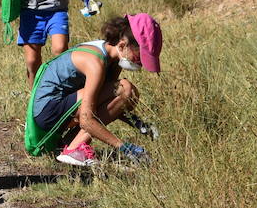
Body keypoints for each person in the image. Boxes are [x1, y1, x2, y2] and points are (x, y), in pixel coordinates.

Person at [28, 14, 162, 167]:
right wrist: (124, 147)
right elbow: (87, 119)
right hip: (47, 113)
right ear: (122, 45)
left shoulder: (112, 59)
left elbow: (110, 105)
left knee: (128, 94)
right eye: (139, 58)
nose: (140, 64)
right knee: (125, 89)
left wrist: (138, 123)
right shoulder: (95, 63)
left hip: (61, 107)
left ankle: (69, 143)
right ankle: (73, 149)